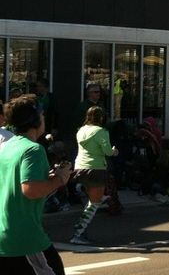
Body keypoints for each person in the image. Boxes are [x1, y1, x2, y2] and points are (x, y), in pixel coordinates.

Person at [0, 95, 72, 274]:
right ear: (34, 119)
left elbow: (13, 184)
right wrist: (60, 179)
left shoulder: (9, 146)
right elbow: (30, 190)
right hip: (24, 239)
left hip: (5, 236)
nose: (44, 118)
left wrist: (47, 179)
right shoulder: (33, 149)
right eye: (42, 115)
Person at [70, 106, 119, 244]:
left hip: (79, 167)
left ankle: (81, 227)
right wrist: (115, 151)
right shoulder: (101, 132)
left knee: (93, 200)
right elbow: (107, 152)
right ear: (102, 118)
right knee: (95, 202)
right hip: (96, 169)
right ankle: (78, 233)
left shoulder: (81, 130)